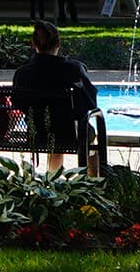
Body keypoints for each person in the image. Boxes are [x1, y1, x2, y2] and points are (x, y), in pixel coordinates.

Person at [11, 20, 98, 171]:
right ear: (58, 43)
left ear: (34, 44)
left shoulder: (22, 74)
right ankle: (93, 183)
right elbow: (90, 104)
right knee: (89, 138)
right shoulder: (74, 69)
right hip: (70, 134)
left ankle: (52, 180)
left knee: (54, 132)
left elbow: (18, 104)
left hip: (36, 134)